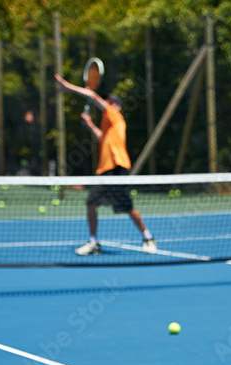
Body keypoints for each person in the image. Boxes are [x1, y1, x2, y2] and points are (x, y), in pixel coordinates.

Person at [54, 74, 157, 256]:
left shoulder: (116, 116)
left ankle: (148, 237)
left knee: (127, 207)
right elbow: (102, 138)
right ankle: (94, 242)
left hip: (118, 168)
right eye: (107, 101)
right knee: (91, 203)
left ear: (117, 106)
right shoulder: (109, 126)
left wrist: (67, 86)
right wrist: (90, 125)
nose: (107, 103)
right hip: (105, 170)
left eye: (111, 102)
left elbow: (93, 97)